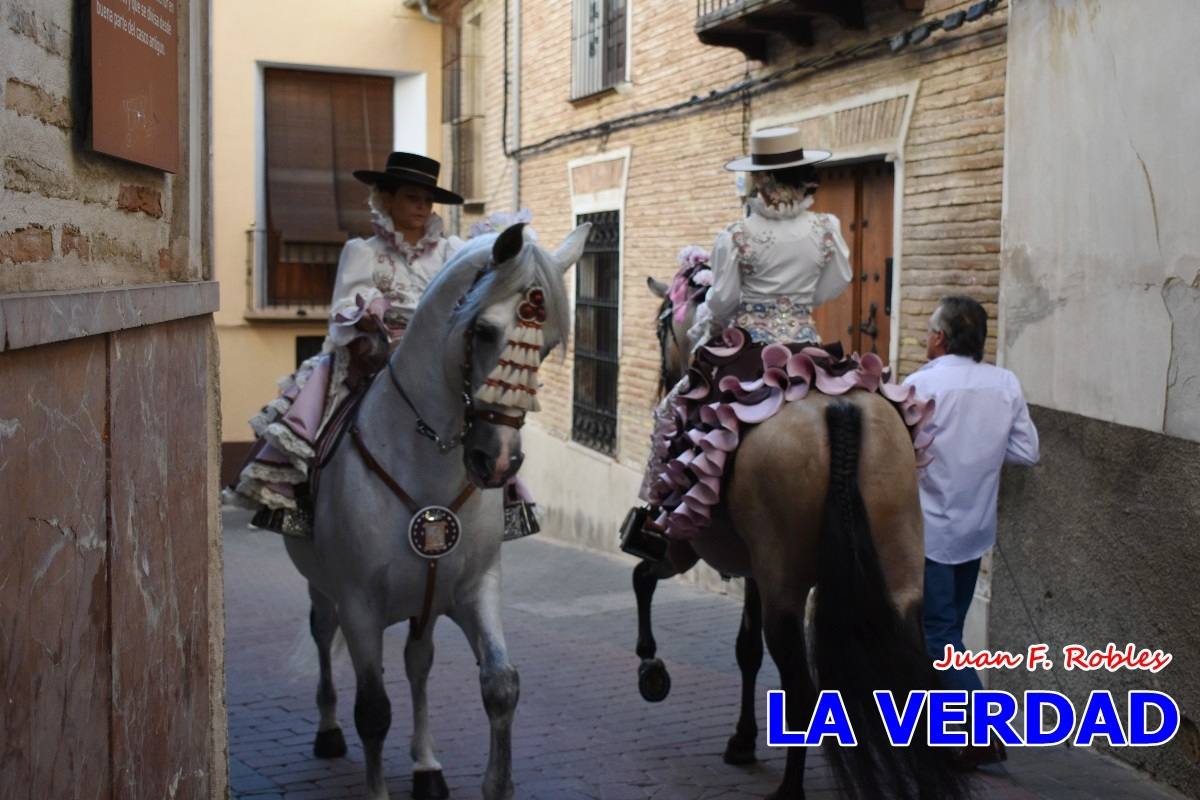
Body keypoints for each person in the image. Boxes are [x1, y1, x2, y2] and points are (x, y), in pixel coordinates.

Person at [631, 126, 853, 537]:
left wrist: (703, 333)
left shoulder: (737, 235)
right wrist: (798, 304)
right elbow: (838, 282)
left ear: (761, 180)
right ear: (799, 177)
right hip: (808, 349)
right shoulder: (827, 228)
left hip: (749, 349)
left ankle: (658, 526)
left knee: (673, 412)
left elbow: (721, 301)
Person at [234, 152, 465, 534]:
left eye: (427, 200)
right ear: (387, 199)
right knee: (319, 419)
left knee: (489, 416)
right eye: (412, 197)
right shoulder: (363, 251)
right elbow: (343, 306)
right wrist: (367, 312)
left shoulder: (451, 253)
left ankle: (501, 500)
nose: (423, 207)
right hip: (375, 357)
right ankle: (304, 504)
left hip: (438, 362)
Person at [902, 295, 1040, 768]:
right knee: (950, 632)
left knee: (939, 636)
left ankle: (984, 732)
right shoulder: (1005, 384)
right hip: (975, 529)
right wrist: (983, 452)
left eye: (928, 329)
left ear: (940, 337)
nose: (925, 337)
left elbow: (897, 455)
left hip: (932, 531)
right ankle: (944, 731)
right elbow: (1027, 451)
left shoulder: (919, 385)